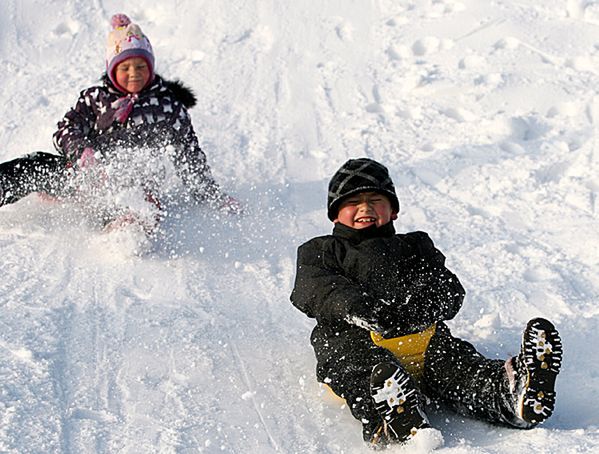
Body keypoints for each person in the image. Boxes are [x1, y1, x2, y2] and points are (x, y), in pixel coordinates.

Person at [290, 157, 563, 447]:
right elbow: (316, 288)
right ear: (335, 214)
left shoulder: (415, 245)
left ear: (393, 210)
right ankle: (393, 420)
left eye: (375, 200)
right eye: (353, 201)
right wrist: (361, 308)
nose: (365, 208)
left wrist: (422, 305)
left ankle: (510, 392)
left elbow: (447, 286)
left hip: (425, 340)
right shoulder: (321, 250)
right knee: (359, 368)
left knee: (460, 367)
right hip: (357, 341)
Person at [0, 13, 239, 229]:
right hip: (87, 177)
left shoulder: (167, 106)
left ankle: (128, 231)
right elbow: (66, 129)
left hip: (133, 187)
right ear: (112, 70)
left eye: (140, 66)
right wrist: (81, 152)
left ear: (151, 68)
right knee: (32, 166)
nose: (134, 73)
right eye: (125, 67)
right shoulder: (96, 98)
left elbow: (188, 155)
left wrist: (212, 196)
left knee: (143, 203)